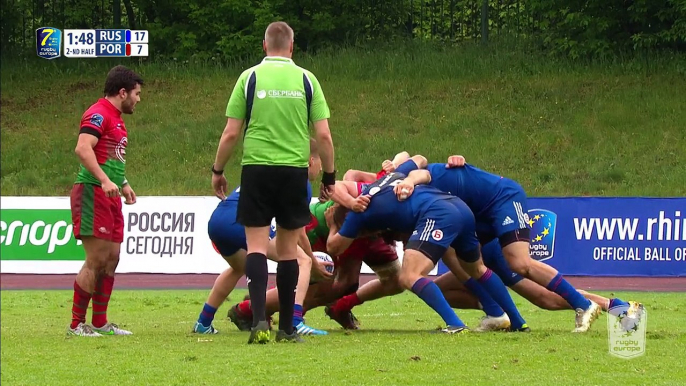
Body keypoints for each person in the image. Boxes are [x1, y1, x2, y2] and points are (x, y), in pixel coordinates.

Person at [210, 21, 335, 344]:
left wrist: (218, 169)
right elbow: (322, 134)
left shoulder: (249, 77)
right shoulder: (307, 80)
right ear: (292, 47)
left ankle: (258, 324)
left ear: (264, 46)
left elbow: (232, 132)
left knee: (255, 247)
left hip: (257, 169)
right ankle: (287, 329)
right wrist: (330, 176)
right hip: (293, 171)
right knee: (288, 251)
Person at [393, 155, 603, 332]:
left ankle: (588, 305)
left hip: (502, 199)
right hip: (478, 219)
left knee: (522, 266)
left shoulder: (406, 180)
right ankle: (505, 317)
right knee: (465, 262)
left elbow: (416, 160)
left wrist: (401, 172)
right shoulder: (415, 201)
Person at [326, 171, 528, 333]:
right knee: (476, 268)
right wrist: (411, 180)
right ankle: (517, 321)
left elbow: (335, 247)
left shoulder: (356, 214)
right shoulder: (388, 178)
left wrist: (333, 226)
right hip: (460, 208)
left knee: (409, 276)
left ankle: (455, 324)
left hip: (437, 214)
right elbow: (419, 164)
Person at [194, 141, 333, 338]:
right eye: (320, 165)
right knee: (303, 261)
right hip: (239, 222)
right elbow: (298, 232)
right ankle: (295, 321)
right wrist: (314, 262)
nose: (320, 171)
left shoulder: (270, 166)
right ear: (310, 161)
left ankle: (204, 321)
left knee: (239, 268)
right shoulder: (298, 180)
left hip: (217, 221)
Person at [228, 199, 402, 332]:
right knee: (324, 286)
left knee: (391, 280)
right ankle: (250, 309)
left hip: (365, 230)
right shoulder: (391, 185)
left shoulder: (405, 189)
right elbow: (349, 177)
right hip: (327, 228)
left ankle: (338, 307)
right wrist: (335, 190)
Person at [67, 65, 143, 337]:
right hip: (91, 191)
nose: (138, 99)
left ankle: (99, 322)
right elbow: (82, 148)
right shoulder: (98, 113)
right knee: (96, 259)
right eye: (136, 93)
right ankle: (77, 325)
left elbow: (107, 155)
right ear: (122, 92)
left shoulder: (116, 117)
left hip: (109, 194)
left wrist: (122, 183)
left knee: (112, 258)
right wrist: (103, 180)